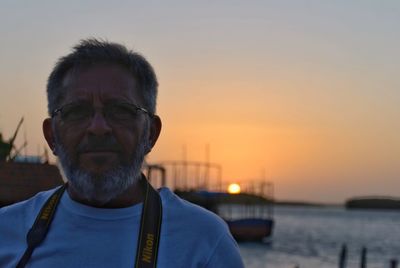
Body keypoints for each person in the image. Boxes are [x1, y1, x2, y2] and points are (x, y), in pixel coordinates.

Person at [0, 39, 244, 267]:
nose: (98, 128)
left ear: (151, 133)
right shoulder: (5, 231)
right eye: (77, 111)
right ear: (51, 135)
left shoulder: (205, 240)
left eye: (120, 110)